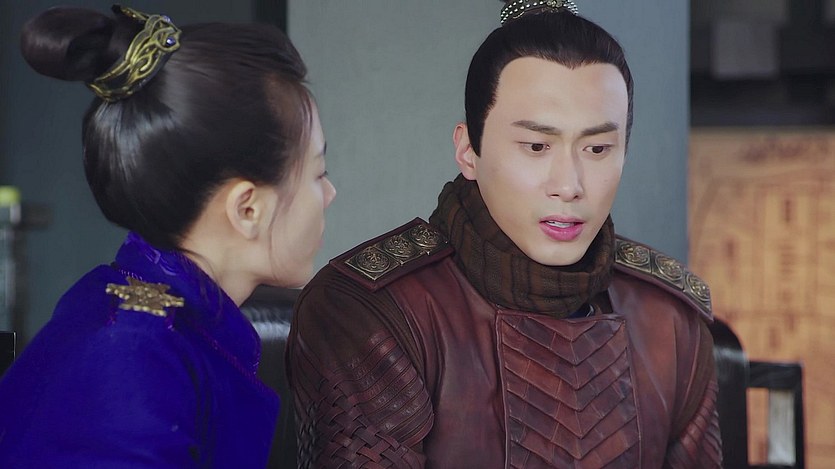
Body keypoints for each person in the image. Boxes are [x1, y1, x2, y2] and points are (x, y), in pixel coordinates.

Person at [287, 1, 721, 467]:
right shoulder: (371, 311)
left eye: (597, 149)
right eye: (536, 146)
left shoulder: (668, 319)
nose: (569, 185)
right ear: (468, 150)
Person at [0, 4, 335, 467]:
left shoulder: (147, 317)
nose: (329, 194)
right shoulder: (132, 356)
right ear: (248, 208)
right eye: (318, 173)